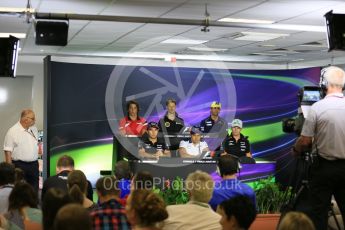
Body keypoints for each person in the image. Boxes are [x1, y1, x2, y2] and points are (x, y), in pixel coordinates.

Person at [293, 66, 345, 230]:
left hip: (323, 168)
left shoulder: (317, 108)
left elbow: (305, 141)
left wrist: (295, 150)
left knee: (319, 214)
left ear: (324, 85)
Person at [3, 109, 41, 191]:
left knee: (34, 188)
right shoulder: (12, 131)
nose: (35, 120)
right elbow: (7, 152)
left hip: (34, 165)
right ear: (25, 119)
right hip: (19, 165)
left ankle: (33, 203)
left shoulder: (34, 129)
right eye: (33, 118)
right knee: (19, 189)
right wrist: (10, 170)